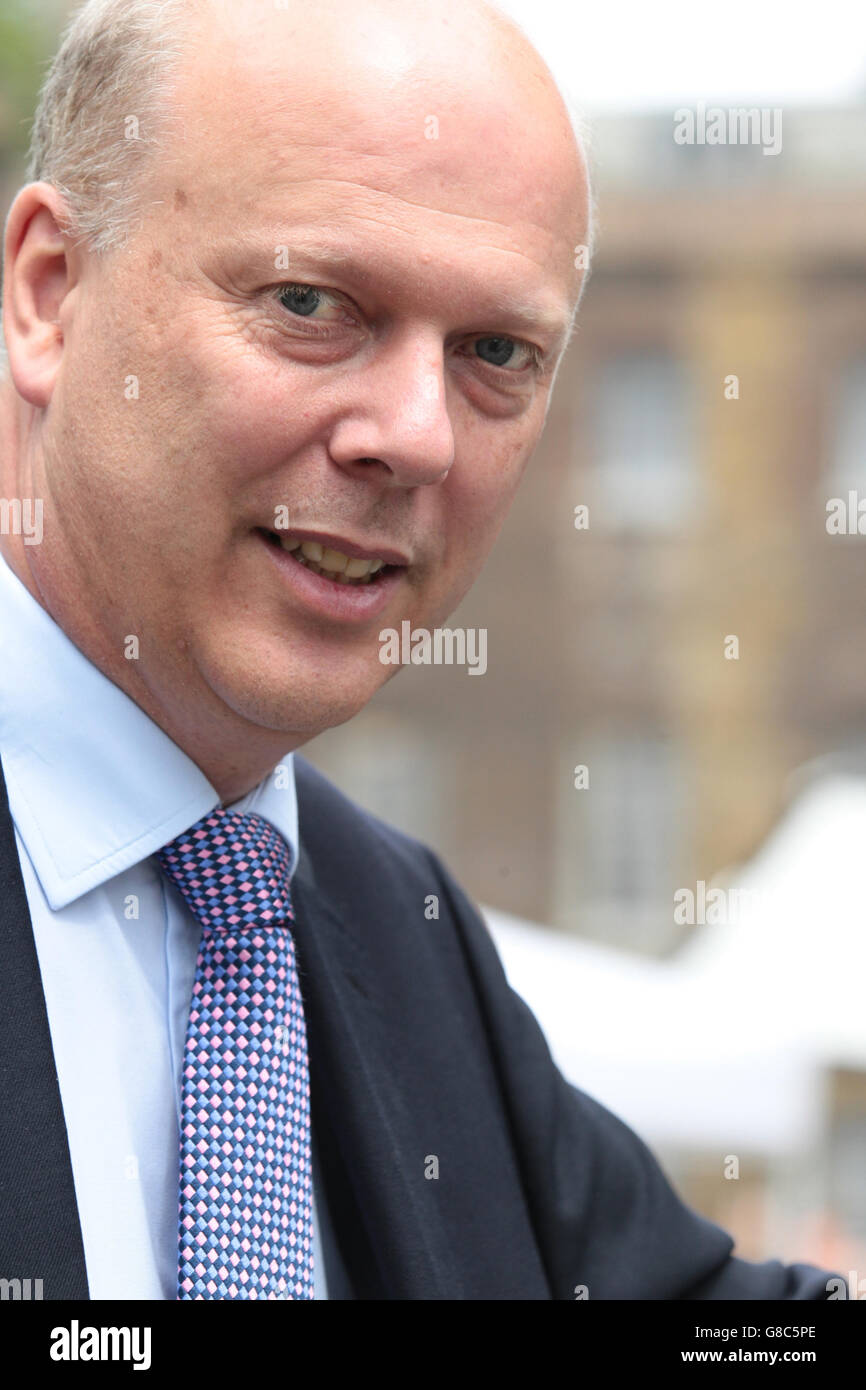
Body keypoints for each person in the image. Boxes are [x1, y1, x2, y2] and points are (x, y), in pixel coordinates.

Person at [0, 0, 841, 1300]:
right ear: (50, 292)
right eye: (312, 304)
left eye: (495, 354)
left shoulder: (403, 936)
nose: (417, 435)